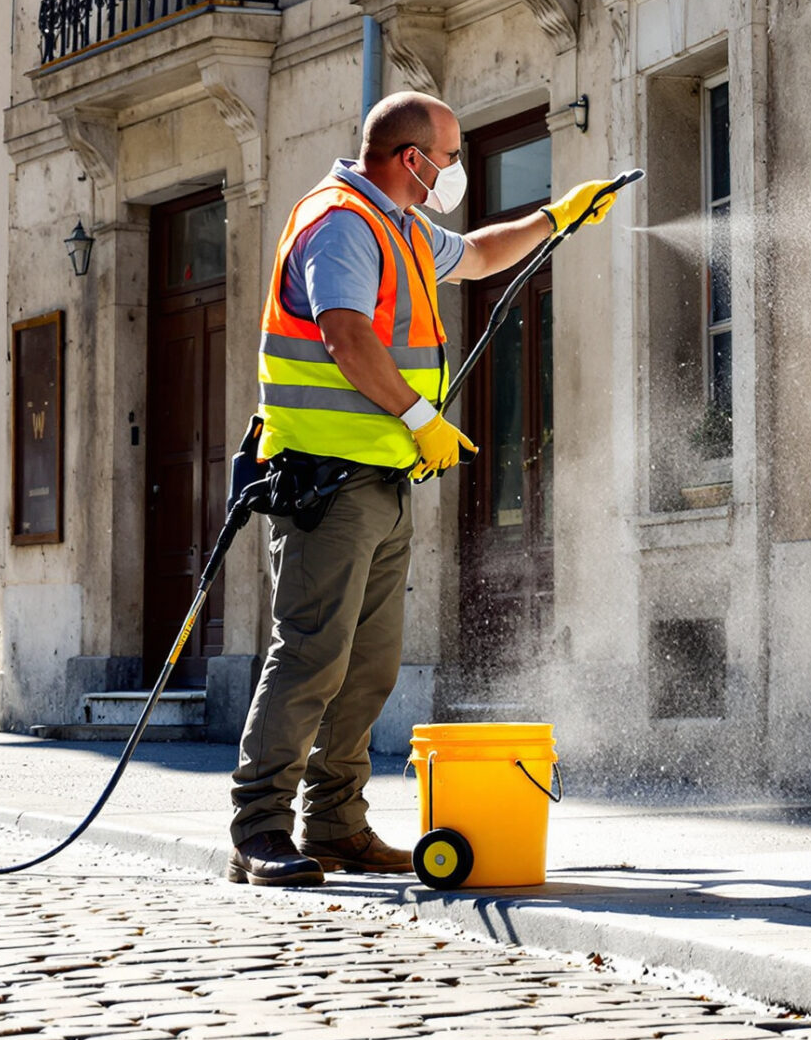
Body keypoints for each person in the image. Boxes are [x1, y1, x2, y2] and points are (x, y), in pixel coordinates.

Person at [226, 90, 623, 886]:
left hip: (379, 480)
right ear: (412, 159)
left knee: (368, 664)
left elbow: (475, 254)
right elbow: (345, 335)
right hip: (326, 484)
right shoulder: (340, 221)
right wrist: (420, 418)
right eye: (447, 156)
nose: (454, 170)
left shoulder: (400, 226)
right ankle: (259, 828)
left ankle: (335, 824)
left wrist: (554, 219)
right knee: (309, 656)